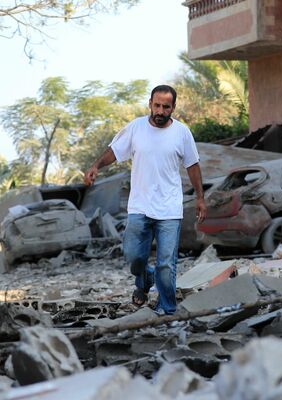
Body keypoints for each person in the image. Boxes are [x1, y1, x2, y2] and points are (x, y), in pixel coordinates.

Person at [84, 84, 207, 315]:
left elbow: (192, 165)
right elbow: (114, 151)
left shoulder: (182, 133)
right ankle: (145, 279)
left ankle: (167, 309)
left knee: (166, 264)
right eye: (157, 105)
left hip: (169, 208)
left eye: (166, 107)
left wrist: (200, 197)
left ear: (173, 108)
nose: (160, 111)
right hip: (140, 206)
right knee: (133, 256)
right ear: (150, 104)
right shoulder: (136, 128)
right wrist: (96, 165)